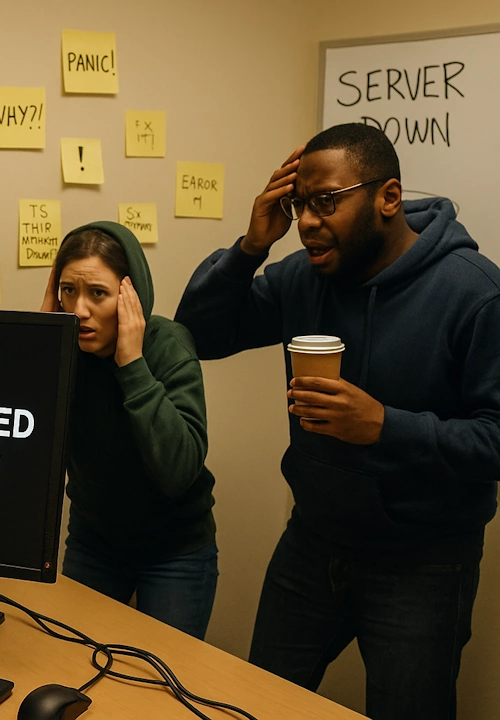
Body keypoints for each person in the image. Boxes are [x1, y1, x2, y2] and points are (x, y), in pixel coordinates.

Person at [174, 123, 500, 719]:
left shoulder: (473, 293)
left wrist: (386, 426)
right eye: (300, 205)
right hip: (313, 539)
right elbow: (199, 332)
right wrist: (250, 248)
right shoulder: (304, 276)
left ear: (388, 197)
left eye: (326, 202)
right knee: (255, 705)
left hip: (422, 560)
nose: (306, 222)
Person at [40, 221, 218, 640]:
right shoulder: (64, 347)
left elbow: (179, 470)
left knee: (164, 680)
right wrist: (40, 349)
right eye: (68, 291)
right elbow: (25, 453)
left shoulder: (168, 345)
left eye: (97, 294)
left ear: (129, 294)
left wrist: (133, 365)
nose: (79, 309)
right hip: (94, 541)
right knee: (72, 662)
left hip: (175, 551)